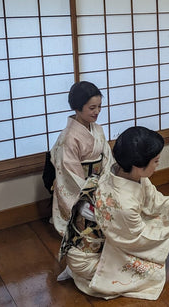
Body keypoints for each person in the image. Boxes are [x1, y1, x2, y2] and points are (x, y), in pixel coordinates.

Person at [59, 126, 169, 300]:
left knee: (157, 218)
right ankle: (93, 273)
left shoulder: (119, 171)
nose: (158, 164)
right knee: (144, 272)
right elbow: (138, 239)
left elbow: (154, 200)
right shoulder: (122, 202)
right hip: (88, 259)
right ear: (138, 166)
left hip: (111, 234)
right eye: (156, 161)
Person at [50, 81, 113, 237]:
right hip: (79, 189)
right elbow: (69, 174)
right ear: (77, 107)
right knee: (92, 223)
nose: (97, 111)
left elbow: (107, 159)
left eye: (99, 106)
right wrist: (85, 197)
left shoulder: (97, 129)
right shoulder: (69, 138)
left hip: (99, 183)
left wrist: (104, 183)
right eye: (92, 108)